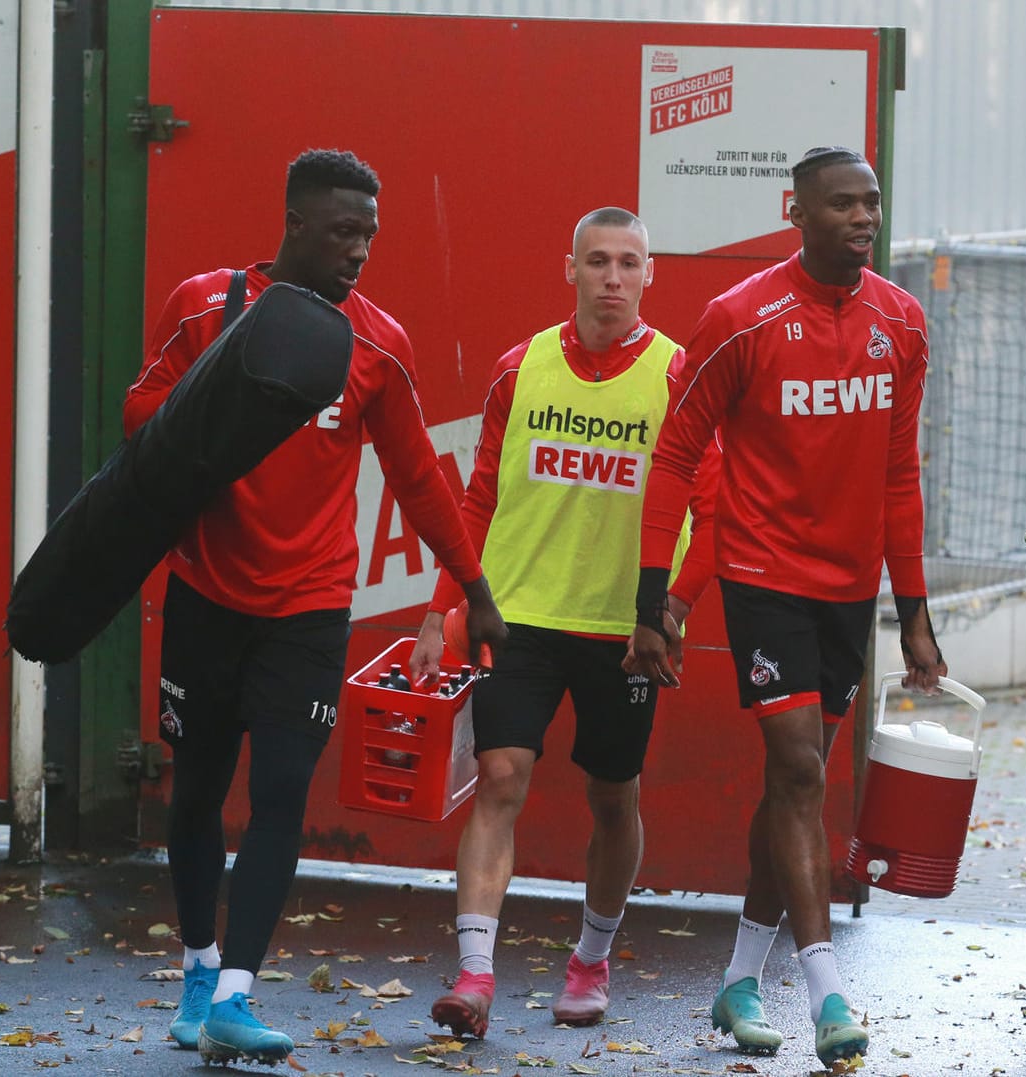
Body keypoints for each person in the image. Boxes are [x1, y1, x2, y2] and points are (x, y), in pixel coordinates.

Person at [125, 149, 508, 1065]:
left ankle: (236, 993)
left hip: (309, 602)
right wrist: (216, 396)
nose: (360, 250)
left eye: (370, 234)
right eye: (343, 231)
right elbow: (139, 421)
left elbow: (420, 478)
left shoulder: (377, 344)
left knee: (283, 795)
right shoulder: (203, 305)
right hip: (207, 590)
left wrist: (474, 592)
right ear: (294, 224)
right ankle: (197, 962)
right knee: (198, 792)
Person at [625, 146, 946, 1067]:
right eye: (840, 204)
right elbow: (676, 457)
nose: (861, 218)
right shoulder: (739, 318)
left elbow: (898, 473)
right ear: (794, 212)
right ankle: (825, 995)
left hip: (848, 592)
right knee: (801, 774)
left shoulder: (903, 323)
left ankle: (734, 981)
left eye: (871, 203)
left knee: (789, 791)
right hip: (762, 577)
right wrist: (657, 603)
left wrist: (912, 608)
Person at [415, 207, 713, 1041]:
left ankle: (590, 957)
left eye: (628, 263)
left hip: (624, 632)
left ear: (650, 274)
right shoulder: (520, 368)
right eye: (597, 262)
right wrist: (446, 603)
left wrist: (673, 605)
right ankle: (474, 974)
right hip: (520, 616)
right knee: (500, 776)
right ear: (570, 269)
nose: (612, 278)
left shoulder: (676, 375)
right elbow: (477, 497)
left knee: (612, 797)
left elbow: (715, 506)